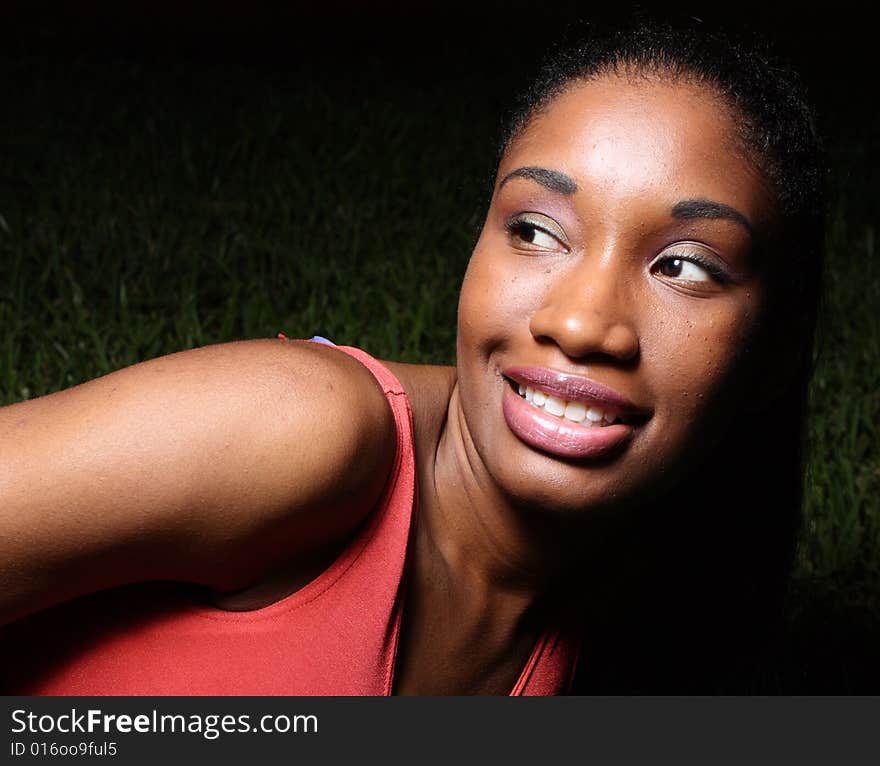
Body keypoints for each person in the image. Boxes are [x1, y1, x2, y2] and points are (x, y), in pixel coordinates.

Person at [0, 17, 824, 695]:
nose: (580, 323)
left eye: (683, 266)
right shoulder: (299, 433)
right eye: (535, 231)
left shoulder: (638, 629)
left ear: (776, 350)